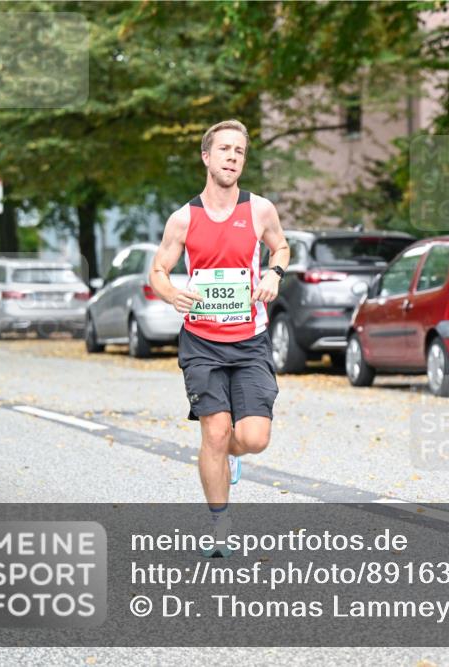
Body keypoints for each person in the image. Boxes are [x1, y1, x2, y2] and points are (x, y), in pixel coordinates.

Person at [150, 119, 290, 555]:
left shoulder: (260, 210)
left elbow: (281, 247)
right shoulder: (183, 218)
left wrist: (274, 273)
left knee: (253, 438)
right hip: (202, 342)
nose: (233, 156)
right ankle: (220, 524)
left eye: (240, 151)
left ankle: (228, 454)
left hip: (249, 341)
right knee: (214, 431)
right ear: (207, 158)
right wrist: (172, 293)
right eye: (225, 149)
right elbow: (158, 270)